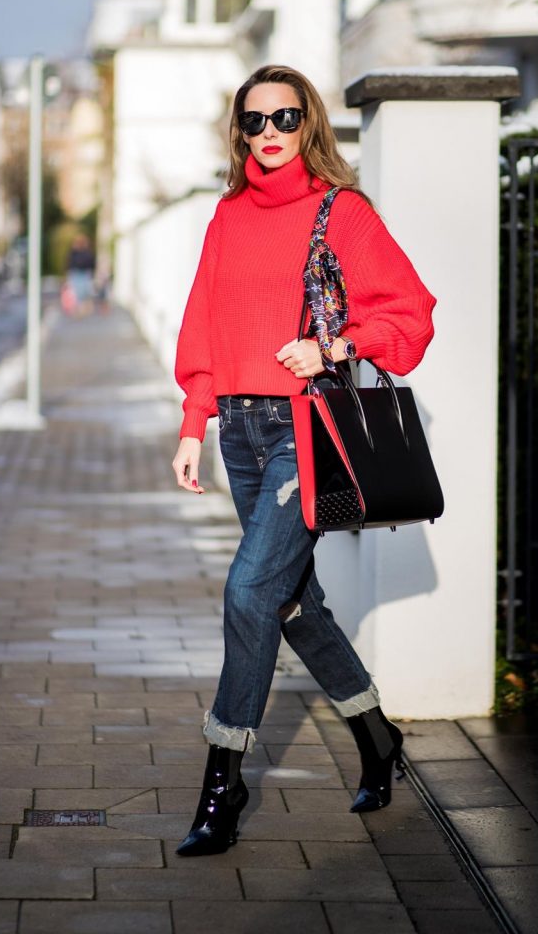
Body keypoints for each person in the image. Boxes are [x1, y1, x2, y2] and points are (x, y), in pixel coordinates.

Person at [172, 64, 436, 857]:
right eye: (255, 122)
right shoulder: (226, 216)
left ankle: (223, 780)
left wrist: (334, 343)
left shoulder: (341, 212)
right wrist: (194, 421)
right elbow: (204, 324)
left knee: (249, 591)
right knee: (293, 606)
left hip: (303, 430)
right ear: (239, 131)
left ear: (309, 122)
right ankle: (378, 738)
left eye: (286, 118)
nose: (271, 134)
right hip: (240, 435)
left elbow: (411, 314)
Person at [65, 234, 96, 316]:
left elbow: (91, 264)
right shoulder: (74, 253)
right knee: (77, 293)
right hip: (76, 273)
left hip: (83, 273)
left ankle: (82, 308)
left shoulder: (87, 253)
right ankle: (78, 308)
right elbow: (69, 263)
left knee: (83, 292)